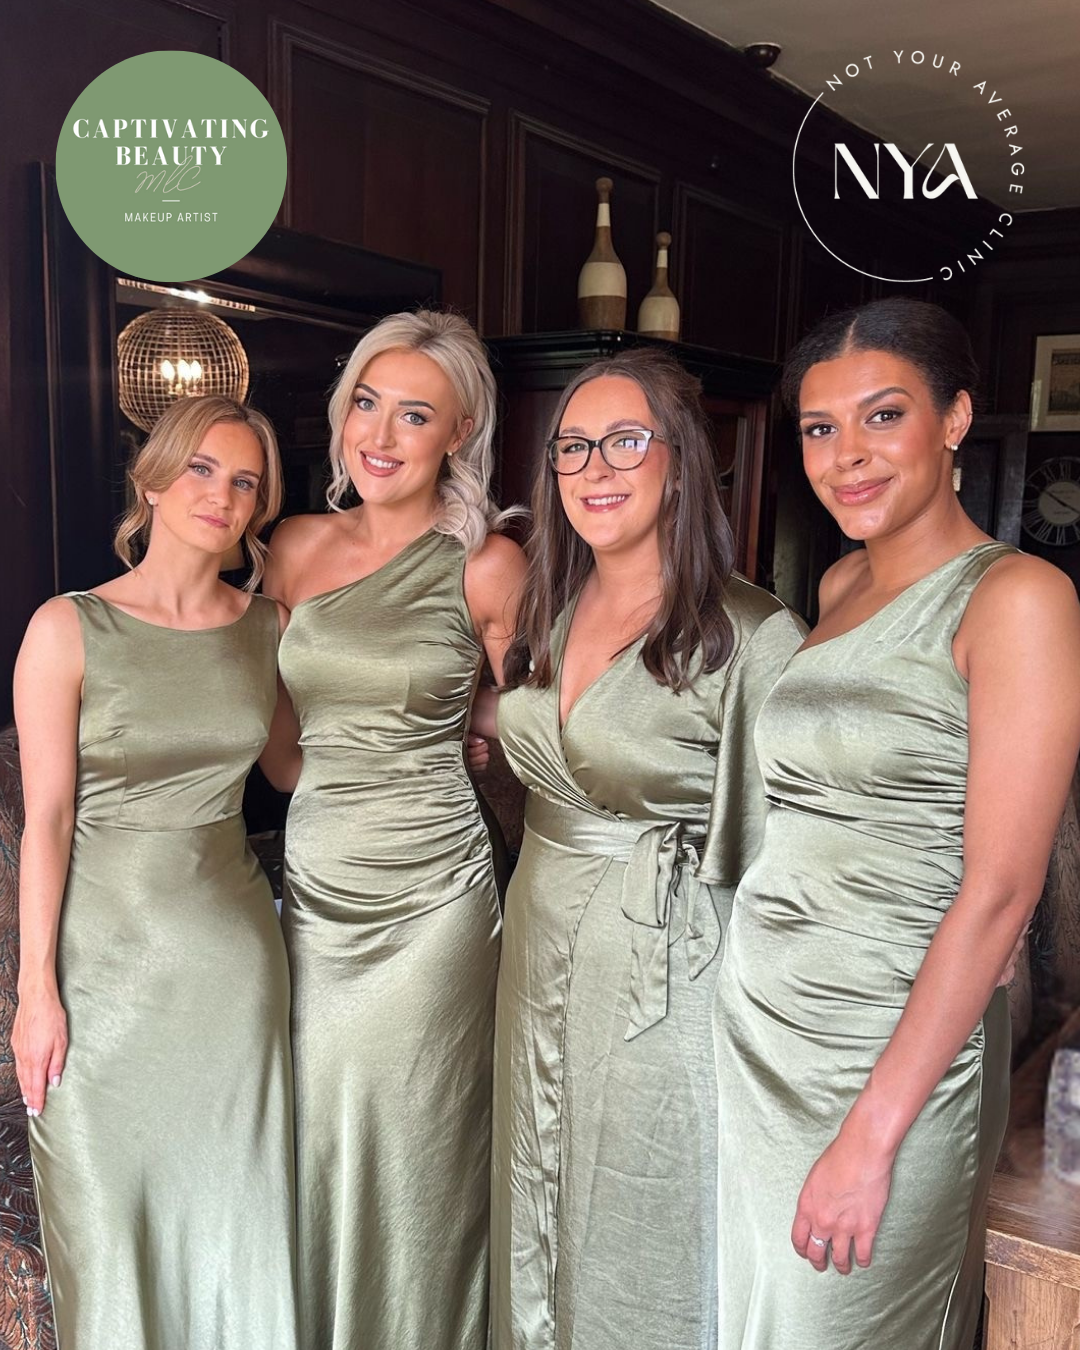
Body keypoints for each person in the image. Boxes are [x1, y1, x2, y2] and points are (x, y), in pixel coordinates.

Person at [714, 297, 1080, 1350]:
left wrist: (872, 1138)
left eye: (883, 417)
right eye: (821, 429)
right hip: (765, 1027)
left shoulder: (1018, 598)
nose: (847, 456)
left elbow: (1002, 891)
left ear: (956, 418)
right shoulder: (839, 582)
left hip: (889, 1051)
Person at [470, 347, 805, 1350]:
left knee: (647, 1208)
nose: (595, 469)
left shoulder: (753, 634)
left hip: (673, 959)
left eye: (625, 441)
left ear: (681, 460)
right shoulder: (548, 610)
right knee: (536, 1190)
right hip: (536, 938)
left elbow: (785, 858)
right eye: (573, 447)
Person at [260, 309, 526, 1350]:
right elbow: (280, 753)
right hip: (320, 894)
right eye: (366, 402)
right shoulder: (291, 546)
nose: (380, 433)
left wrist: (474, 731)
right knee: (325, 1141)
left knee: (422, 1149)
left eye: (414, 414)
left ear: (458, 433)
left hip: (437, 908)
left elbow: (546, 731)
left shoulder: (487, 565)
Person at [13, 395, 297, 1350]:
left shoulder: (270, 629)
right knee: (104, 1226)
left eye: (244, 480)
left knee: (233, 1225)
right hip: (102, 983)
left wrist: (449, 735)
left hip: (231, 977)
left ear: (260, 509)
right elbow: (45, 820)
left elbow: (303, 769)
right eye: (202, 469)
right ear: (153, 479)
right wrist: (34, 993)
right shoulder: (68, 627)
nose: (220, 494)